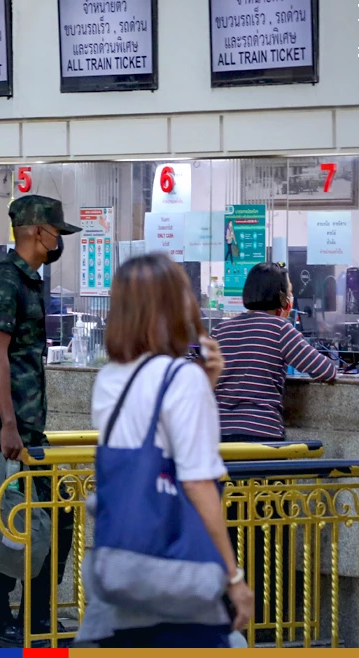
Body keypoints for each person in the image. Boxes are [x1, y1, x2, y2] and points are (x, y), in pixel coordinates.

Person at [79, 253, 253, 648]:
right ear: (178, 307)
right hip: (178, 571)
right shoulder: (182, 380)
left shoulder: (110, 378)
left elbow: (150, 439)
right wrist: (234, 576)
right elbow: (196, 482)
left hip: (122, 565)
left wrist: (203, 384)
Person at [0, 195, 78, 646]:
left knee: (48, 519)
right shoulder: (3, 282)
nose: (58, 241)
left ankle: (35, 613)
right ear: (36, 232)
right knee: (4, 521)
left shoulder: (27, 282)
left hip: (25, 429)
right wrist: (8, 424)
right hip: (4, 431)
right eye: (56, 233)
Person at [212, 262, 336, 442]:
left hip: (218, 436)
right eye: (290, 292)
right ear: (282, 297)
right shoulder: (279, 329)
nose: (291, 297)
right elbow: (326, 371)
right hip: (262, 436)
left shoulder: (221, 330)